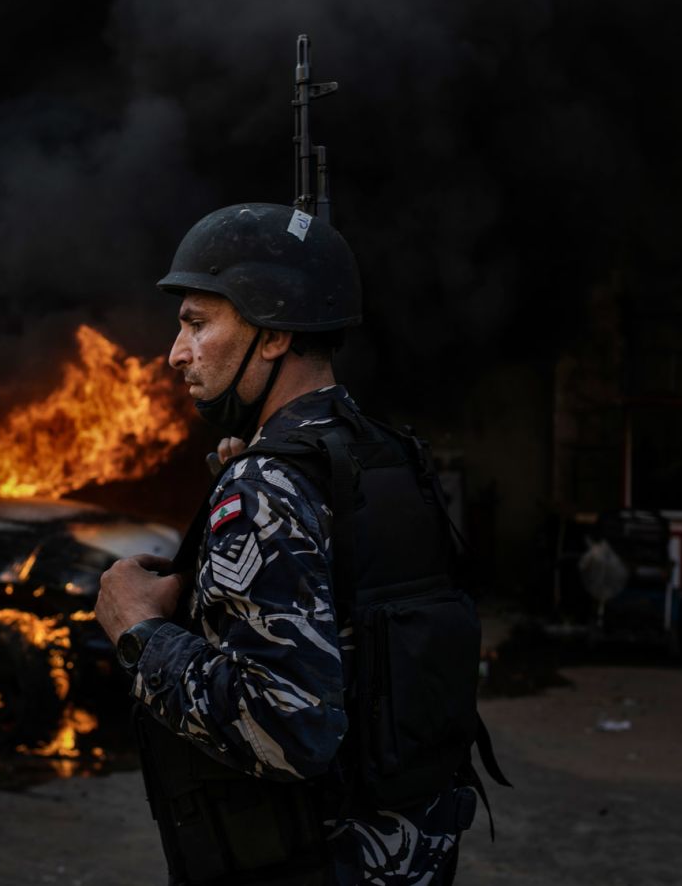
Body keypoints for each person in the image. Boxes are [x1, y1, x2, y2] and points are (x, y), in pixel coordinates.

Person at [97, 202, 486, 886]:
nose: (176, 353)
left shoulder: (272, 485)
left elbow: (286, 728)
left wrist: (139, 631)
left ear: (273, 335)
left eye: (197, 323)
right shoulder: (384, 454)